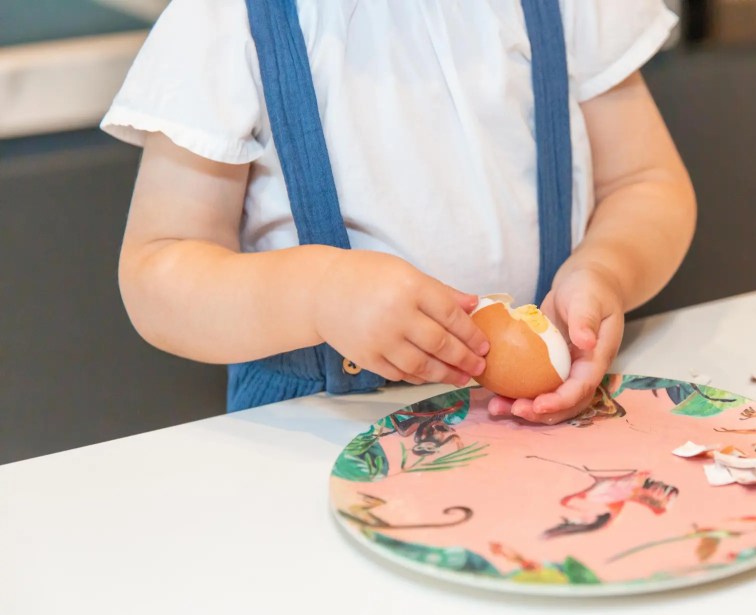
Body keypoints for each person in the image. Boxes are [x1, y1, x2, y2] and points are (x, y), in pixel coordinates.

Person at [101, 0, 697, 425]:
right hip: (317, 430)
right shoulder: (222, 24)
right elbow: (157, 273)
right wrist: (318, 293)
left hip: (536, 428)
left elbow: (645, 183)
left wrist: (607, 269)